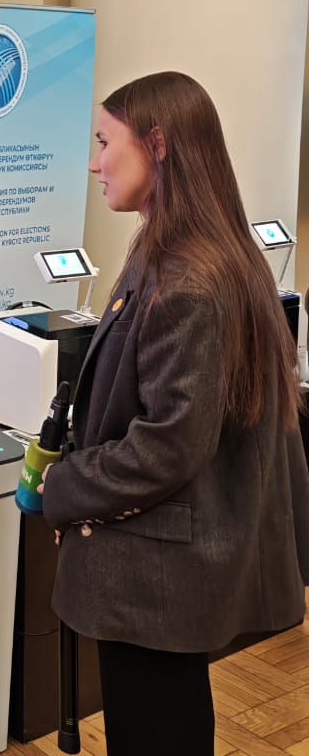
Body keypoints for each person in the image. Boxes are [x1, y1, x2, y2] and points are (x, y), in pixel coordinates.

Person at [38, 71, 309, 754]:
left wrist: (65, 487)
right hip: (162, 568)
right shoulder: (183, 252)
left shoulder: (188, 279)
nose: (95, 163)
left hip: (157, 573)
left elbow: (168, 446)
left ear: (157, 145)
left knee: (156, 729)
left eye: (106, 142)